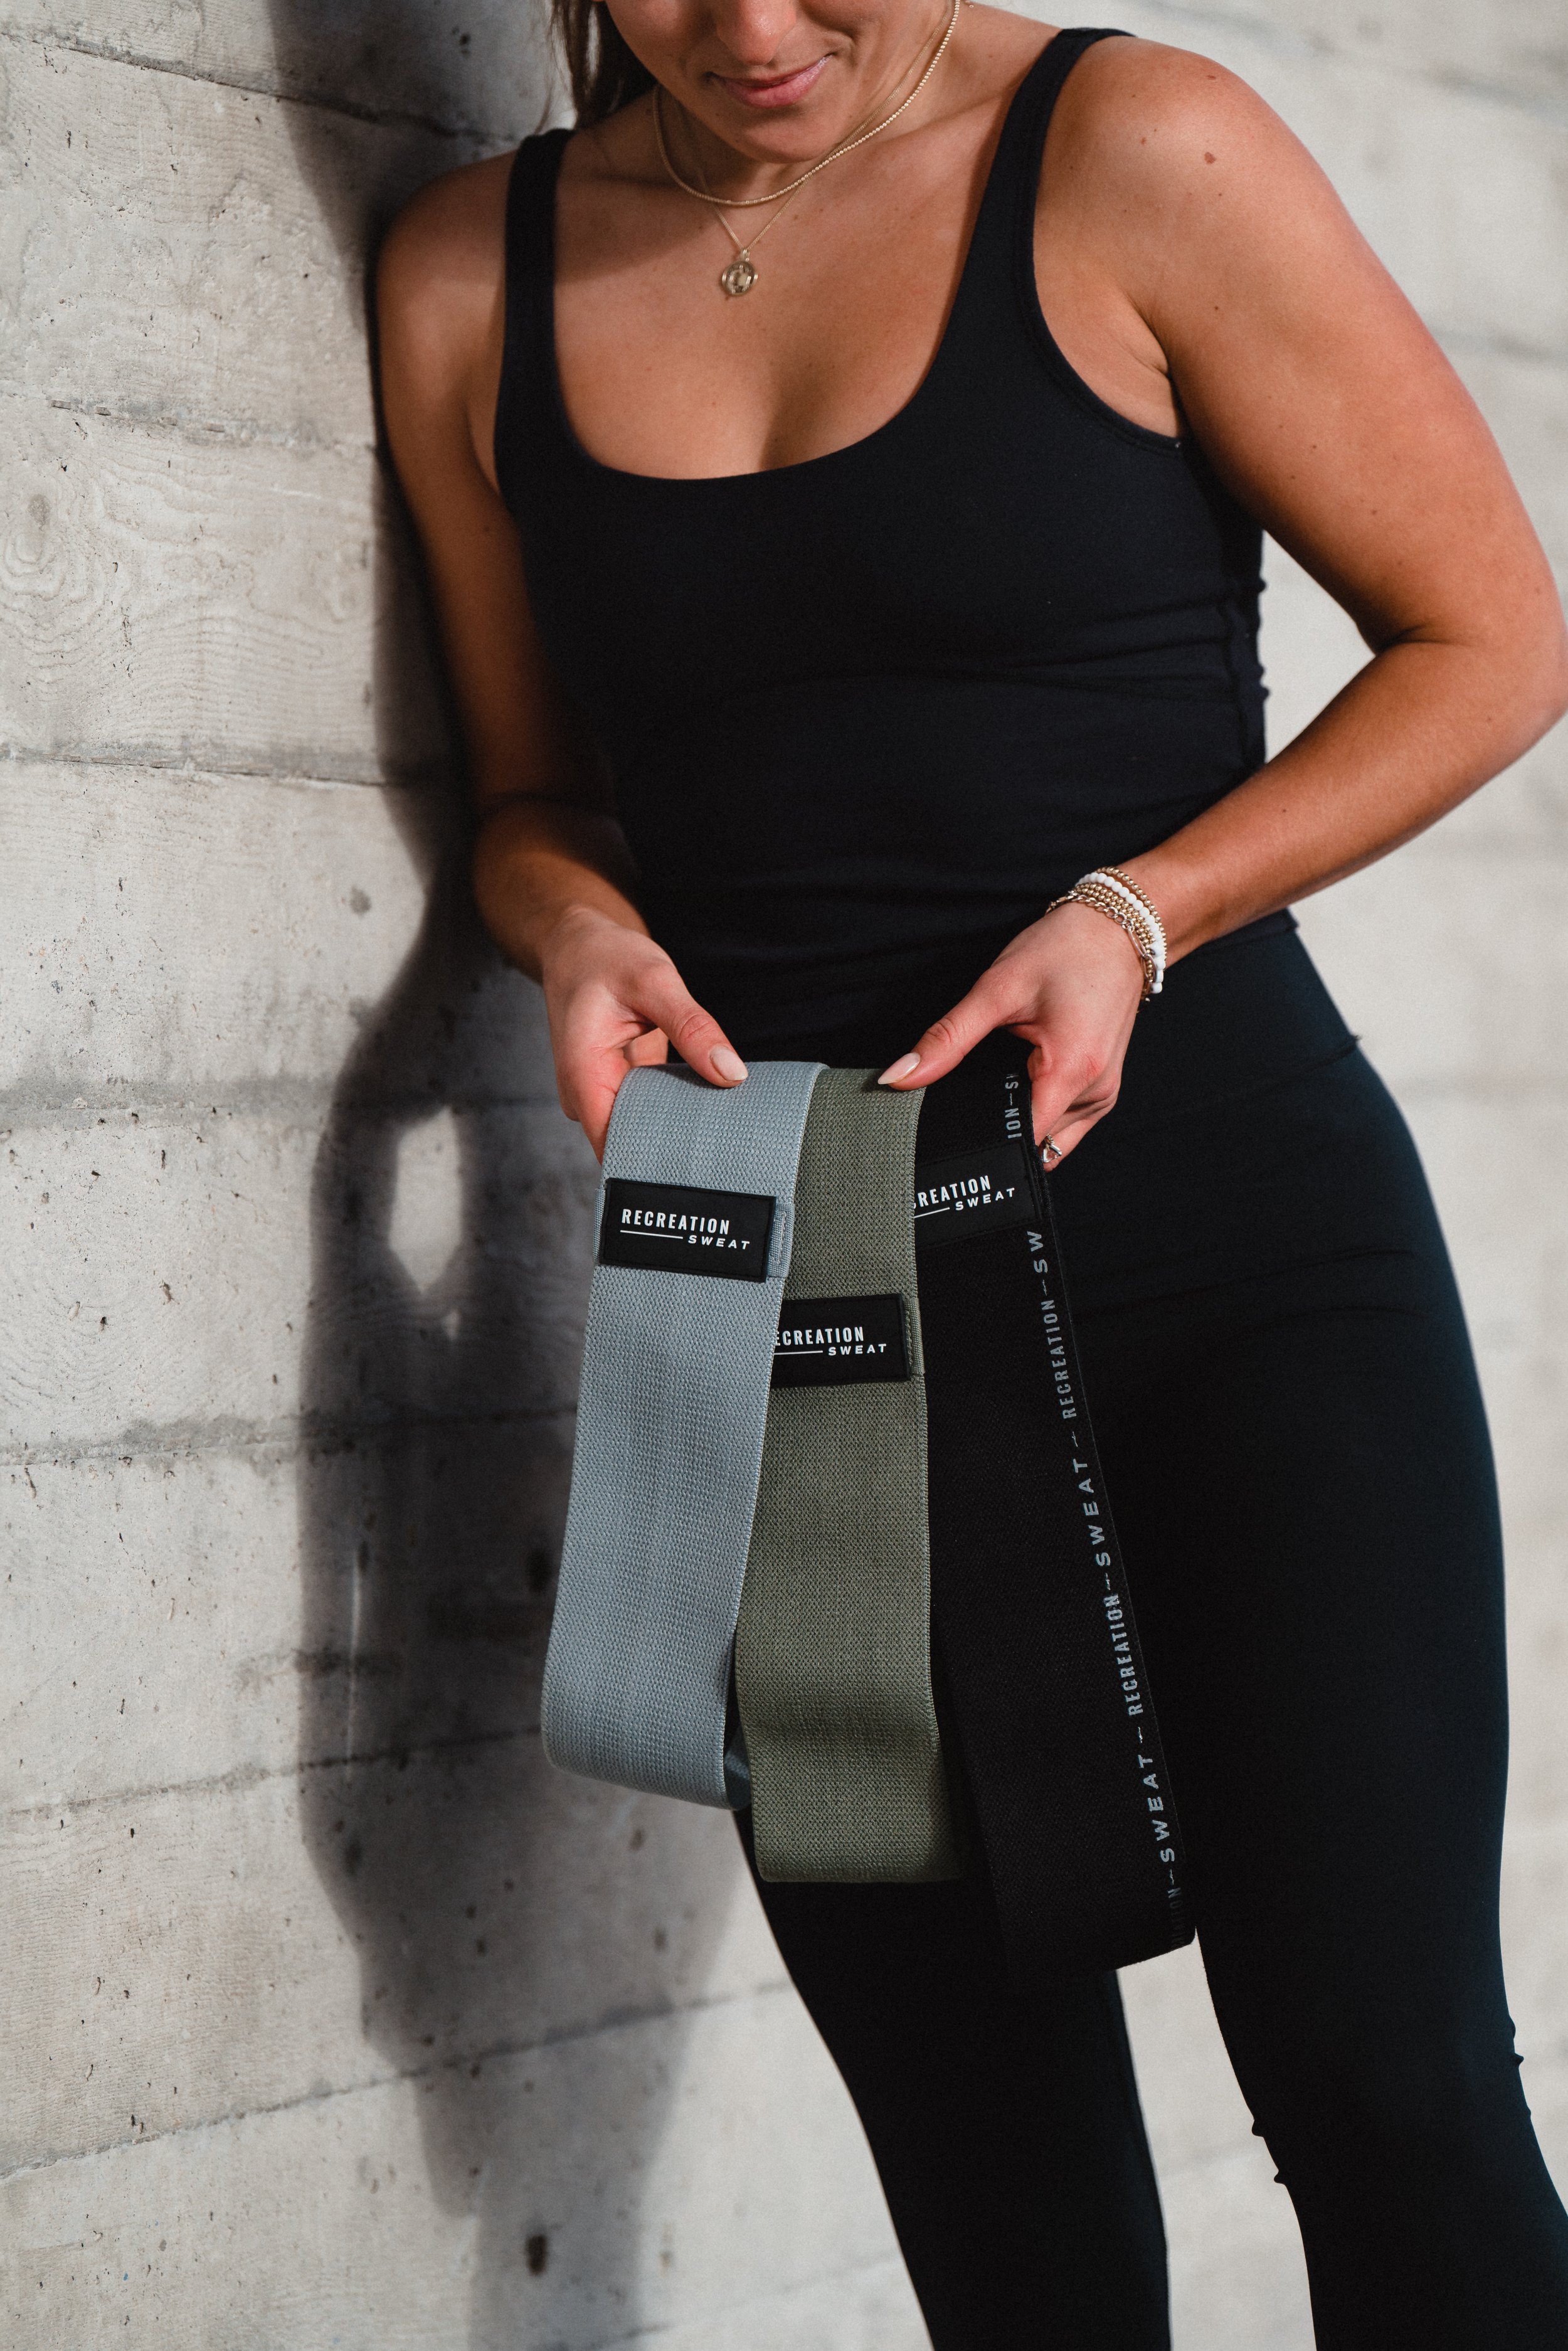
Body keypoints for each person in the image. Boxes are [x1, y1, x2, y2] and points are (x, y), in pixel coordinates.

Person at [376, 0, 1568, 2338]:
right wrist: (579, 925)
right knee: (996, 2205)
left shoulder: (1135, 149)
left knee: (1385, 2091)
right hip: (797, 1318)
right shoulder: (460, 281)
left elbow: (1490, 633)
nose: (748, 31)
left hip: (1235, 1256)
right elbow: (534, 800)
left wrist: (1143, 910)